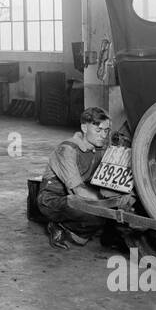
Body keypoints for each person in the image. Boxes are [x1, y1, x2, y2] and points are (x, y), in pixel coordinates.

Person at [37, 106, 134, 248]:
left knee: (118, 205)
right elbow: (78, 191)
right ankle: (60, 227)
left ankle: (108, 236)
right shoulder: (67, 150)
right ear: (84, 128)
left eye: (106, 130)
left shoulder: (100, 148)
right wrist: (109, 204)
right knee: (96, 215)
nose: (103, 135)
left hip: (82, 193)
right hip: (54, 198)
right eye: (98, 130)